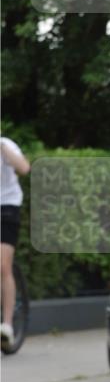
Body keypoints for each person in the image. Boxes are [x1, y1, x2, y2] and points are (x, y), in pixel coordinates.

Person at [1, 137, 30, 349]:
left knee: (3, 265)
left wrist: (2, 149)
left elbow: (24, 168)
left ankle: (8, 326)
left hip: (7, 209)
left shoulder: (6, 145)